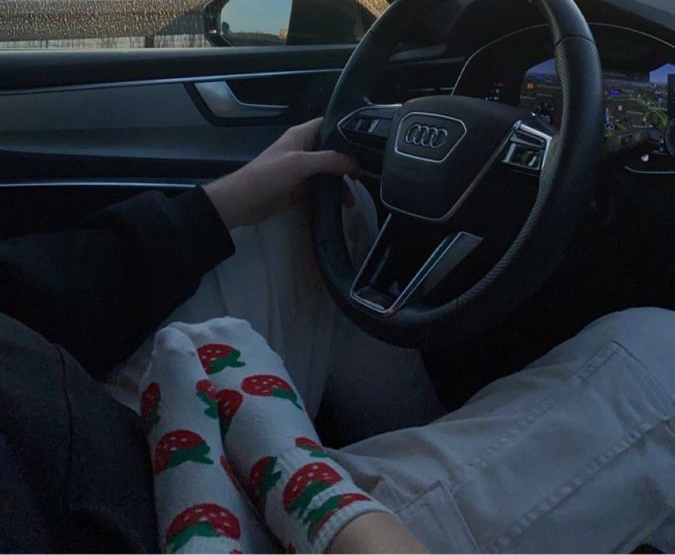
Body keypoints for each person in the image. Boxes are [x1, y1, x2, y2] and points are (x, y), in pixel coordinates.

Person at [1, 119, 673, 553]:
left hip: (59, 412)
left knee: (316, 207)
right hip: (111, 525)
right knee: (657, 351)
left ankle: (405, 452)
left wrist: (219, 206)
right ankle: (327, 506)